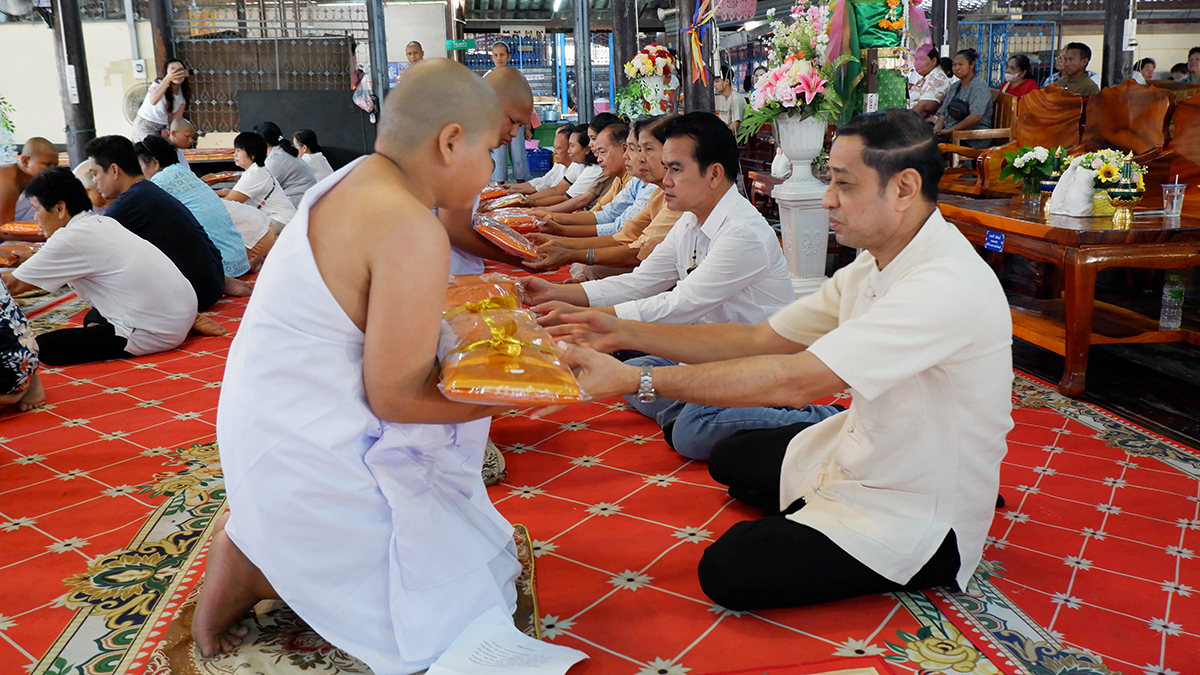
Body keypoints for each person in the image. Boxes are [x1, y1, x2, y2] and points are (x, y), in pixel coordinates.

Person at [547, 108, 1014, 611]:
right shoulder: (875, 264)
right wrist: (619, 330)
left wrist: (637, 380)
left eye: (843, 184)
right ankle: (817, 499)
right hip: (862, 445)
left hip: (918, 502)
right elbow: (759, 338)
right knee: (731, 457)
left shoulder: (942, 283)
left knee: (729, 567)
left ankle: (899, 535)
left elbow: (793, 381)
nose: (827, 199)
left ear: (903, 188)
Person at [193, 59, 523, 674]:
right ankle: (259, 561)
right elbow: (396, 398)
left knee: (478, 558)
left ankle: (264, 540)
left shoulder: (357, 180)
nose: (491, 170)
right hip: (305, 452)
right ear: (451, 142)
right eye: (490, 152)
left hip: (266, 432)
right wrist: (526, 391)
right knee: (460, 620)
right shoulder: (408, 224)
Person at [523, 112, 793, 329]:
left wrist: (581, 315)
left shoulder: (742, 233)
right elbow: (641, 282)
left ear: (714, 174)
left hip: (746, 365)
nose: (666, 180)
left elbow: (678, 305)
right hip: (698, 348)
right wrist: (553, 293)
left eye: (675, 169)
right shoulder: (690, 220)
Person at [5, 167, 196, 365]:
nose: (36, 218)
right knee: (93, 316)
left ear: (60, 208)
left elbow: (13, 285)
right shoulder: (101, 222)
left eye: (37, 209)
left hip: (154, 332)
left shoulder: (70, 237)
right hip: (181, 315)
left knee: (44, 347)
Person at [524, 115, 681, 278]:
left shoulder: (663, 191)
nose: (632, 157)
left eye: (645, 149)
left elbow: (637, 250)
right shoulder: (655, 190)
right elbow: (616, 226)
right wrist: (559, 232)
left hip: (654, 270)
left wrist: (568, 246)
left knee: (589, 268)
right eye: (638, 149)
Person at [86, 135, 226, 318]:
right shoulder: (148, 190)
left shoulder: (130, 202)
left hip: (193, 296)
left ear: (114, 170)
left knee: (97, 315)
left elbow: (91, 247)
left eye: (95, 173)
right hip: (211, 284)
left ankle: (189, 321)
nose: (95, 181)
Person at [433, 65, 537, 275]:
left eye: (520, 126)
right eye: (512, 121)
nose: (514, 133)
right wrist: (519, 259)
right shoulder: (464, 147)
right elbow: (454, 229)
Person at [136, 135, 253, 287]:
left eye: (140, 166)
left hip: (218, 270)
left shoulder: (158, 182)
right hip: (239, 260)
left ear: (154, 163)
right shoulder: (185, 172)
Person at [534, 123, 657, 235]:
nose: (627, 155)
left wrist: (559, 229)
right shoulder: (633, 181)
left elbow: (622, 233)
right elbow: (606, 215)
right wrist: (550, 217)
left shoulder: (651, 186)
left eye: (645, 150)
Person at [529, 119, 627, 215]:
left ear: (624, 149)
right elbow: (598, 214)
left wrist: (545, 212)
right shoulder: (617, 179)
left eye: (603, 152)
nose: (591, 144)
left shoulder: (600, 170)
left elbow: (581, 201)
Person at [221, 132, 298, 229]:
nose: (235, 154)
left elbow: (228, 202)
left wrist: (206, 199)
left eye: (239, 150)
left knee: (239, 228)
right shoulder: (255, 171)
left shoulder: (255, 174)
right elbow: (234, 194)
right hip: (275, 218)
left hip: (281, 220)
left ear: (252, 154)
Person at [525, 125, 602, 207]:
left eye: (572, 146)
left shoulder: (595, 170)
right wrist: (526, 200)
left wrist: (531, 204)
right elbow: (557, 189)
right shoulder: (578, 164)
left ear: (587, 149)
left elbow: (568, 199)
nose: (569, 151)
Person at [488, 42, 532, 182]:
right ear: (492, 57)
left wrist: (527, 127)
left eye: (502, 55)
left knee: (519, 156)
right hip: (496, 125)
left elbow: (525, 102)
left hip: (516, 124)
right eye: (496, 55)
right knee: (498, 158)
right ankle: (500, 189)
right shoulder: (487, 77)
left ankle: (522, 188)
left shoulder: (517, 77)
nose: (499, 58)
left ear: (509, 56)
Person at [934, 49, 993, 149]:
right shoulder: (955, 87)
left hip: (973, 137)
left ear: (972, 65)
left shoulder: (979, 86)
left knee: (933, 148)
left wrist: (950, 131)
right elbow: (943, 112)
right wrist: (935, 131)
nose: (956, 68)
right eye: (954, 65)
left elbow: (975, 116)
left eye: (960, 64)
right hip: (952, 133)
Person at [254, 122, 317, 206]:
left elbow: (260, 188)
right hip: (305, 199)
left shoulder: (276, 160)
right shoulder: (281, 153)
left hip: (300, 203)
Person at [0, 137, 59, 224]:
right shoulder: (6, 181)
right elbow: (3, 227)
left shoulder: (39, 181)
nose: (52, 170)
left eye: (55, 165)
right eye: (47, 164)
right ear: (26, 161)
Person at [506, 125, 572, 195]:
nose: (554, 152)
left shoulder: (574, 168)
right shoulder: (560, 165)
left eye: (558, 148)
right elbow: (546, 180)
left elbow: (555, 190)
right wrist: (512, 188)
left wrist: (524, 196)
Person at [133, 59, 190, 141]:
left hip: (162, 128)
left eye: (180, 70)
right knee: (148, 147)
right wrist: (167, 79)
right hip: (145, 124)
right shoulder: (158, 83)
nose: (177, 73)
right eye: (173, 70)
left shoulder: (183, 93)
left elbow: (176, 119)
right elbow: (153, 100)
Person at [907, 46, 951, 123]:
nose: (917, 63)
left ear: (934, 61)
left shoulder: (938, 78)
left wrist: (902, 122)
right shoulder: (925, 78)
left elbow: (925, 107)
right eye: (916, 59)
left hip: (924, 127)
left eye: (921, 59)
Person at [714, 66, 746, 135]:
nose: (714, 84)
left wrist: (719, 135)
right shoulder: (724, 99)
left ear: (727, 81)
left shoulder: (736, 99)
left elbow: (735, 126)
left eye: (717, 81)